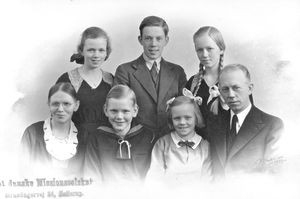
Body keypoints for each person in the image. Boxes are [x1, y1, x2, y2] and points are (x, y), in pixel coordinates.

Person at [114, 16, 187, 139]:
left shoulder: (177, 72)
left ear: (166, 40)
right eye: (148, 38)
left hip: (170, 140)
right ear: (140, 40)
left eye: (158, 39)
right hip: (137, 141)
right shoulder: (125, 71)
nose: (153, 44)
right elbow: (120, 109)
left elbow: (184, 109)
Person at [209, 64, 284, 178]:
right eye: (225, 89)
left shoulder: (273, 125)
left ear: (250, 88)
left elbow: (274, 176)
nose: (231, 95)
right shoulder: (215, 124)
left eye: (236, 88)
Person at [84, 85, 155, 184]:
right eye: (114, 111)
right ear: (105, 110)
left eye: (125, 111)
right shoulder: (96, 138)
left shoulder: (148, 138)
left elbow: (153, 176)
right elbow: (91, 176)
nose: (119, 117)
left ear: (135, 111)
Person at [20, 82, 86, 177]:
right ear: (49, 104)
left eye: (66, 104)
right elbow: (22, 174)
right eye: (55, 104)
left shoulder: (85, 137)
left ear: (76, 105)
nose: (60, 109)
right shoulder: (32, 133)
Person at [57, 27, 113, 134]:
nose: (96, 55)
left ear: (106, 52)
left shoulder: (111, 80)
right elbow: (58, 117)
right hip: (76, 141)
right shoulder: (67, 80)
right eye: (91, 50)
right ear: (81, 51)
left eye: (101, 50)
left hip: (106, 142)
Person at [146, 96, 211, 185]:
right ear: (171, 119)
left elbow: (208, 180)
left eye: (187, 118)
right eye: (177, 118)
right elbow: (154, 177)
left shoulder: (205, 146)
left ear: (196, 118)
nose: (182, 122)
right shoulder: (162, 144)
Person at [185, 26, 227, 119]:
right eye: (200, 50)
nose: (204, 54)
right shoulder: (193, 83)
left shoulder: (234, 80)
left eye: (209, 49)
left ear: (221, 49)